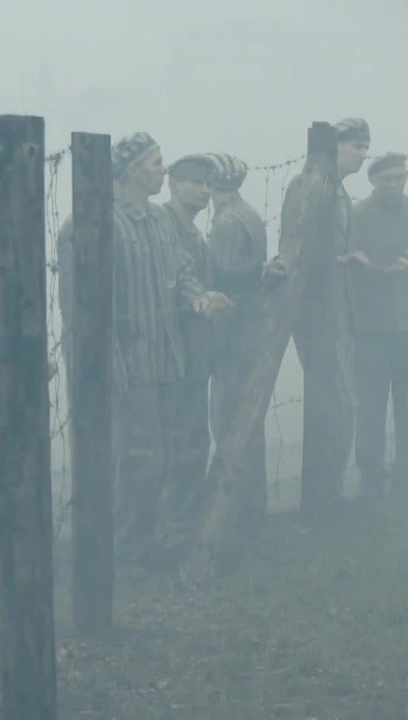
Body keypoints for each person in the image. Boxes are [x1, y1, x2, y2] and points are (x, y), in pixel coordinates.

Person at [104, 132, 229, 576]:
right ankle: (122, 554)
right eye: (156, 163)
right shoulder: (101, 224)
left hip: (166, 363)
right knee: (136, 460)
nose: (162, 169)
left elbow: (183, 271)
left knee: (162, 458)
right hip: (127, 369)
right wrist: (112, 368)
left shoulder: (159, 223)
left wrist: (198, 297)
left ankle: (150, 544)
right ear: (133, 170)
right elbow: (89, 309)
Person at [285, 118, 369, 517]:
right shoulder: (309, 188)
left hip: (340, 313)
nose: (362, 153)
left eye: (364, 146)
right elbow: (295, 249)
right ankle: (320, 499)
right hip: (318, 316)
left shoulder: (340, 194)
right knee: (332, 405)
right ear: (333, 148)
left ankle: (327, 494)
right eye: (355, 145)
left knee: (338, 405)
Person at [344, 152, 408, 498]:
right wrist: (380, 271)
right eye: (387, 179)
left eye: (401, 177)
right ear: (372, 181)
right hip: (373, 330)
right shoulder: (357, 215)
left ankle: (407, 472)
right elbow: (350, 264)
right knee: (370, 404)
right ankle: (371, 474)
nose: (395, 185)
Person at [158, 153, 227, 566]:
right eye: (195, 182)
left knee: (192, 441)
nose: (204, 190)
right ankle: (172, 533)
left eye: (208, 184)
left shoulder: (192, 231)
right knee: (177, 444)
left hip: (194, 354)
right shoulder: (164, 227)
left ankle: (181, 528)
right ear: (174, 185)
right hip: (171, 356)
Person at [206, 152, 278, 537]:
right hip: (250, 330)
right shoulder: (247, 214)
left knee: (229, 419)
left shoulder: (225, 224)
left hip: (232, 334)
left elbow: (223, 280)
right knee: (248, 420)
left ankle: (235, 510)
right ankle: (253, 507)